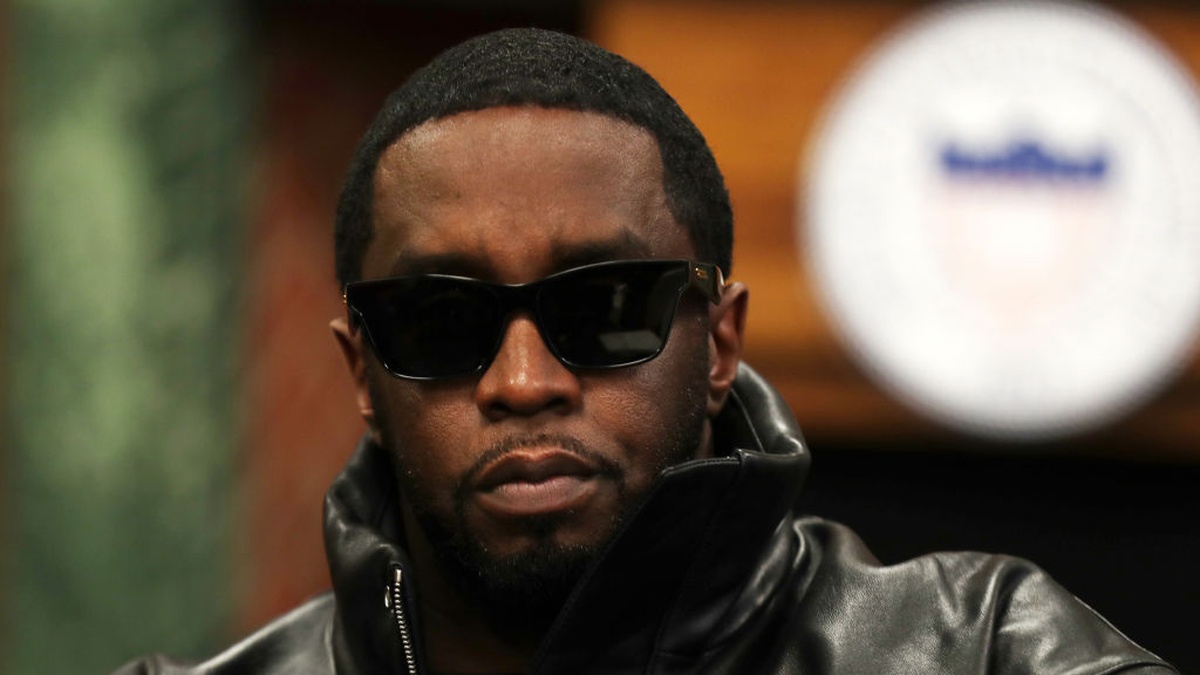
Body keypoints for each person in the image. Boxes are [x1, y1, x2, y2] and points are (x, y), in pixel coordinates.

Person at [116, 27, 1176, 675]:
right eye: (441, 322)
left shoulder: (983, 650)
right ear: (362, 373)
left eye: (606, 307)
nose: (523, 382)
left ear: (719, 344)